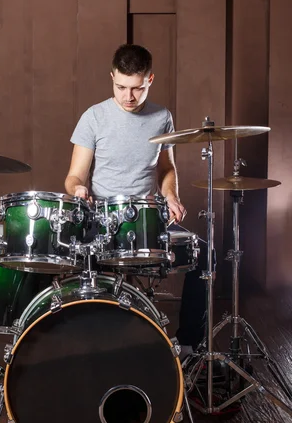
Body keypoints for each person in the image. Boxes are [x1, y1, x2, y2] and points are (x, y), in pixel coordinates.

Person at [64, 44, 208, 353]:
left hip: (148, 217)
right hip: (102, 218)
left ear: (150, 80)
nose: (128, 96)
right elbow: (75, 175)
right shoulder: (94, 117)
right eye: (121, 87)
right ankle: (92, 345)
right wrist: (78, 189)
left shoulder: (162, 117)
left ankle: (189, 347)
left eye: (137, 88)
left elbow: (167, 168)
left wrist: (171, 195)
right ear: (112, 78)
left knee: (203, 254)